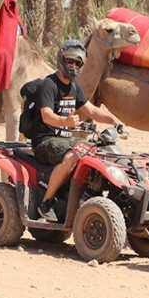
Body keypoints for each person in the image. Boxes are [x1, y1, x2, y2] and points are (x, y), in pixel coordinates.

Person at [34, 39, 123, 222]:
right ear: (61, 59)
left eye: (78, 63)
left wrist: (113, 120)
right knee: (72, 156)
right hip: (45, 140)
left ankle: (87, 196)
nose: (74, 66)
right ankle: (46, 203)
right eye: (70, 61)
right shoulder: (48, 85)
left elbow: (90, 110)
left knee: (96, 151)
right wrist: (64, 121)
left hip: (65, 139)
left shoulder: (74, 87)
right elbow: (46, 115)